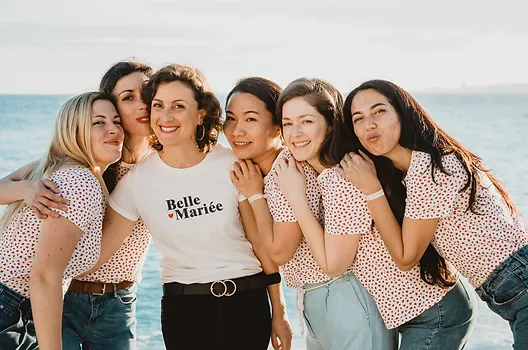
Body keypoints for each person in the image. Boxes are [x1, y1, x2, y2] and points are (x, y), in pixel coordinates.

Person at [85, 64, 292, 350]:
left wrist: (279, 312)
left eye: (178, 106)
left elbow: (260, 246)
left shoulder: (233, 165)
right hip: (183, 309)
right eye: (158, 105)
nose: (166, 117)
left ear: (201, 114)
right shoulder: (136, 181)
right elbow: (99, 253)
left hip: (246, 303)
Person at [272, 78, 477, 349]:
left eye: (307, 121)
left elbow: (333, 265)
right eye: (287, 124)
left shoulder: (343, 176)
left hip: (433, 311)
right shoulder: (321, 171)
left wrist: (296, 197)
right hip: (412, 309)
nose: (295, 133)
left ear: (331, 123)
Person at [337, 79, 528, 349]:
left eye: (379, 111)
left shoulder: (431, 168)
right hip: (511, 289)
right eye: (358, 119)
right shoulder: (411, 175)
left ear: (402, 114)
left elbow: (405, 258)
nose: (369, 124)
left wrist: (371, 190)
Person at [226, 77, 397, 349]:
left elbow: (280, 253)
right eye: (289, 123)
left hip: (343, 294)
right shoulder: (300, 167)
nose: (237, 131)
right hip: (317, 298)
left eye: (250, 119)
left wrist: (255, 195)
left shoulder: (289, 171)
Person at [0, 61, 154, 349]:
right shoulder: (81, 169)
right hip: (55, 296)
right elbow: (46, 272)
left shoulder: (154, 168)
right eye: (128, 97)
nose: (142, 105)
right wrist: (26, 190)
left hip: (111, 299)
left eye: (147, 94)